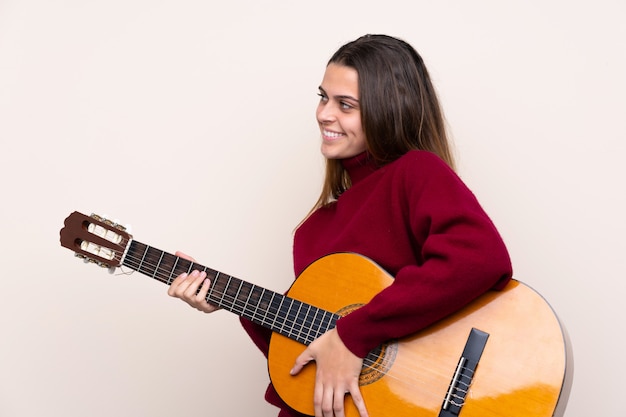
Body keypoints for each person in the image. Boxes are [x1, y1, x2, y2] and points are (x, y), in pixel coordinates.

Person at [167, 34, 513, 417]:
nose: (324, 114)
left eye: (345, 104)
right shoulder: (314, 229)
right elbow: (309, 358)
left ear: (389, 110)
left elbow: (479, 258)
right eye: (323, 97)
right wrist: (229, 302)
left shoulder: (416, 173)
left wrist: (354, 333)